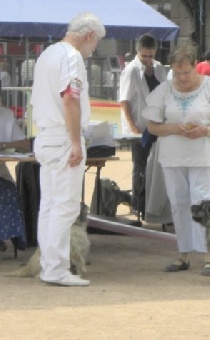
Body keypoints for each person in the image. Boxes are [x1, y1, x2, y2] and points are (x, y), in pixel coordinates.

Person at [142, 44, 210, 276]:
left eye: (186, 72)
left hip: (203, 155)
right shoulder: (164, 90)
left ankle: (209, 255)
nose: (182, 78)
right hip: (173, 156)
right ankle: (183, 253)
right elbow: (152, 126)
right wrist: (174, 128)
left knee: (202, 201)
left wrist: (204, 130)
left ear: (196, 66)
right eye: (177, 73)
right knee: (178, 202)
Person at [31, 12, 105, 286]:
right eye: (95, 43)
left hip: (46, 136)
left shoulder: (47, 54)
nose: (92, 50)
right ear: (88, 36)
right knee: (65, 206)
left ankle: (49, 265)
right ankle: (56, 268)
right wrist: (76, 141)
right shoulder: (72, 58)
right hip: (63, 137)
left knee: (50, 205)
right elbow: (70, 99)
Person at [119, 34, 166, 218]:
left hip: (157, 125)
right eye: (144, 56)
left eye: (150, 56)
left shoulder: (159, 68)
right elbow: (125, 101)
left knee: (155, 166)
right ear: (138, 52)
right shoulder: (131, 71)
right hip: (139, 127)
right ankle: (138, 205)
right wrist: (133, 127)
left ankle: (153, 204)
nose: (147, 60)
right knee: (140, 166)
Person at [0, 96, 31, 252]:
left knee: (9, 191)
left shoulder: (5, 115)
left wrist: (4, 144)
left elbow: (25, 144)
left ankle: (9, 235)